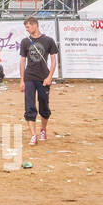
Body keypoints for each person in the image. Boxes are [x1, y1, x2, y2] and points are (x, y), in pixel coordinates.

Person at [18, 17, 58, 146]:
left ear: (35, 25)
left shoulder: (48, 41)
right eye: (26, 28)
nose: (27, 29)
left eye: (28, 27)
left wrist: (50, 77)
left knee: (44, 105)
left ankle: (43, 129)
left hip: (43, 78)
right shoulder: (25, 42)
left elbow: (53, 61)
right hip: (29, 77)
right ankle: (33, 135)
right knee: (29, 106)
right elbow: (22, 61)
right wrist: (22, 80)